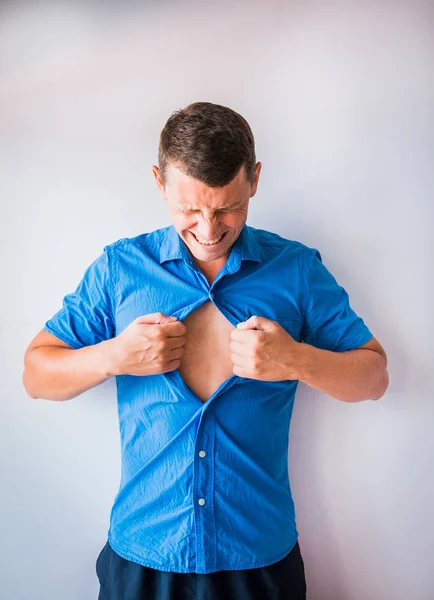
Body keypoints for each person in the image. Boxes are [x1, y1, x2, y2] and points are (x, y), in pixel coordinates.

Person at [23, 101, 389, 599]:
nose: (208, 229)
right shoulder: (120, 269)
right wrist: (115, 356)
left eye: (227, 207)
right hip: (143, 556)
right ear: (159, 182)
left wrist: (296, 360)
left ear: (254, 179)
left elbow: (374, 377)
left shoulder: (298, 270)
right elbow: (35, 374)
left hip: (258, 560)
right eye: (189, 209)